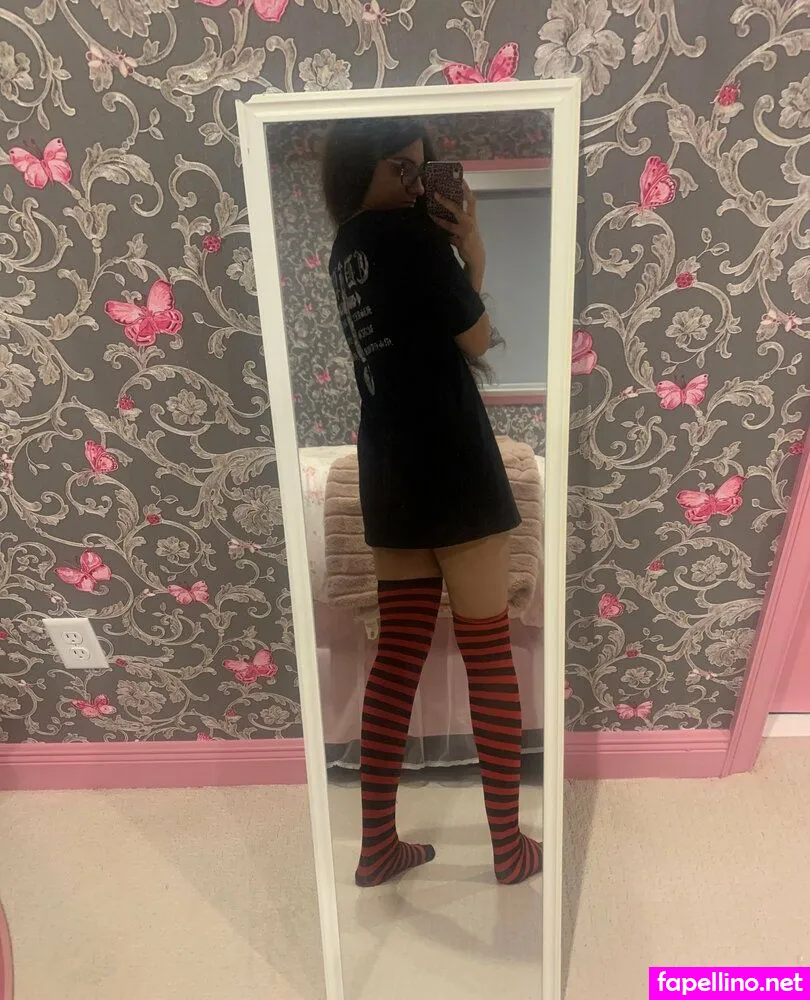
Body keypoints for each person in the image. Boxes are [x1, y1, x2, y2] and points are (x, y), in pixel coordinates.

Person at [323, 117, 541, 888]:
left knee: (398, 658)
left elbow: (413, 344)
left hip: (390, 466)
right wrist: (471, 247)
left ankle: (377, 845)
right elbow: (476, 340)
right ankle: (509, 849)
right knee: (487, 652)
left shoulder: (345, 250)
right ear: (360, 166)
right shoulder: (412, 238)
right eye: (400, 168)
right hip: (453, 460)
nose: (416, 184)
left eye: (421, 169)